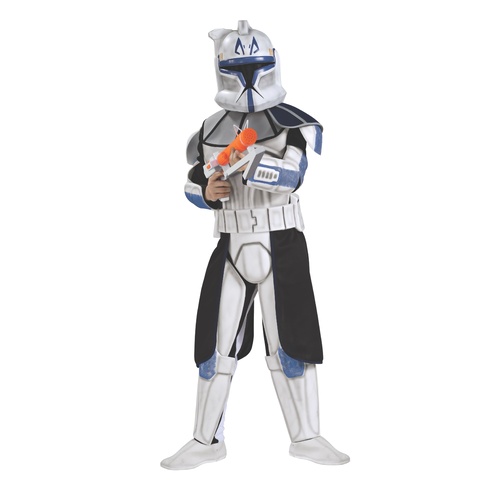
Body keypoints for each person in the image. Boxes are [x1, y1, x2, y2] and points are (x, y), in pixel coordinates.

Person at [161, 20, 349, 469]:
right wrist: (208, 191)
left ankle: (307, 437)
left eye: (255, 67)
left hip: (280, 242)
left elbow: (294, 175)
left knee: (292, 346)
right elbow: (193, 182)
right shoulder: (209, 130)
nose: (247, 78)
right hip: (230, 244)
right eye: (237, 68)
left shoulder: (291, 123)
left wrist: (254, 163)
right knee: (214, 350)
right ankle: (206, 440)